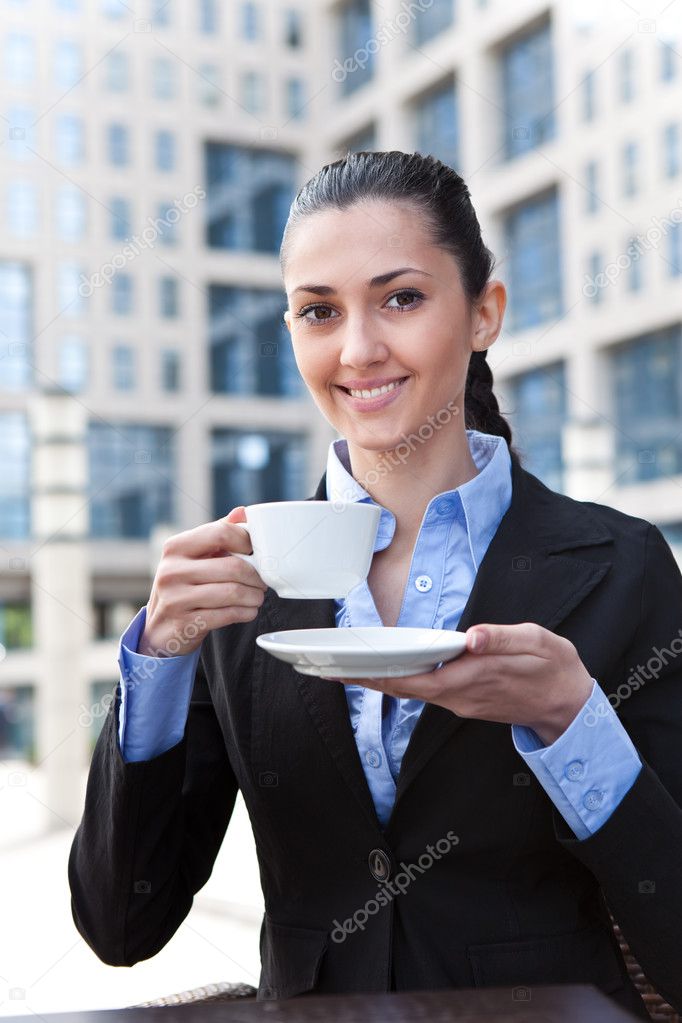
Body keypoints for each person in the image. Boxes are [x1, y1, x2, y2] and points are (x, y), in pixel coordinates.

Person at [68, 151, 682, 1017]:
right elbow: (120, 924)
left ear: (484, 313)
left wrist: (571, 719)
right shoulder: (239, 586)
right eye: (320, 311)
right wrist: (158, 661)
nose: (358, 350)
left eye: (401, 299)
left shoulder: (622, 566)